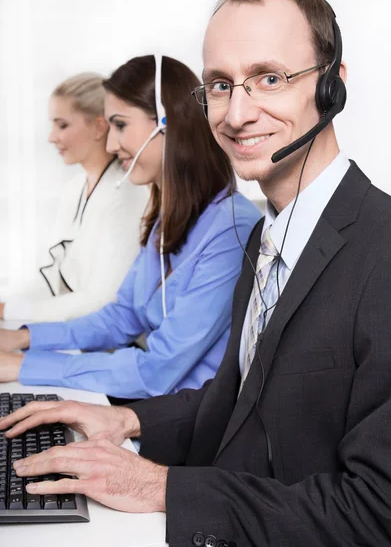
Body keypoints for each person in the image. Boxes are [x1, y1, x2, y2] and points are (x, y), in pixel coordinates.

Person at [2, 0, 391, 546]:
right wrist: (129, 421)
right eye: (219, 84)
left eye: (269, 78)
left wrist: (160, 488)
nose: (236, 114)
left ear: (333, 87)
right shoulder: (268, 236)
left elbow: (382, 513)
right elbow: (240, 404)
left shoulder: (389, 255)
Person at [0, 54, 261, 398]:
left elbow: (158, 370)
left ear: (167, 123)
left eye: (120, 126)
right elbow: (122, 317)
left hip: (189, 426)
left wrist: (23, 366)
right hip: (155, 404)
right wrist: (24, 337)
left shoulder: (231, 228)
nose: (110, 145)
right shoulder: (167, 220)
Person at [0, 72, 148, 323]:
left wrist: (9, 312)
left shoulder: (127, 196)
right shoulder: (74, 189)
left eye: (62, 125)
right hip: (70, 333)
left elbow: (102, 300)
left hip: (106, 343)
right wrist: (7, 307)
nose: (51, 137)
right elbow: (50, 276)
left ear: (99, 127)